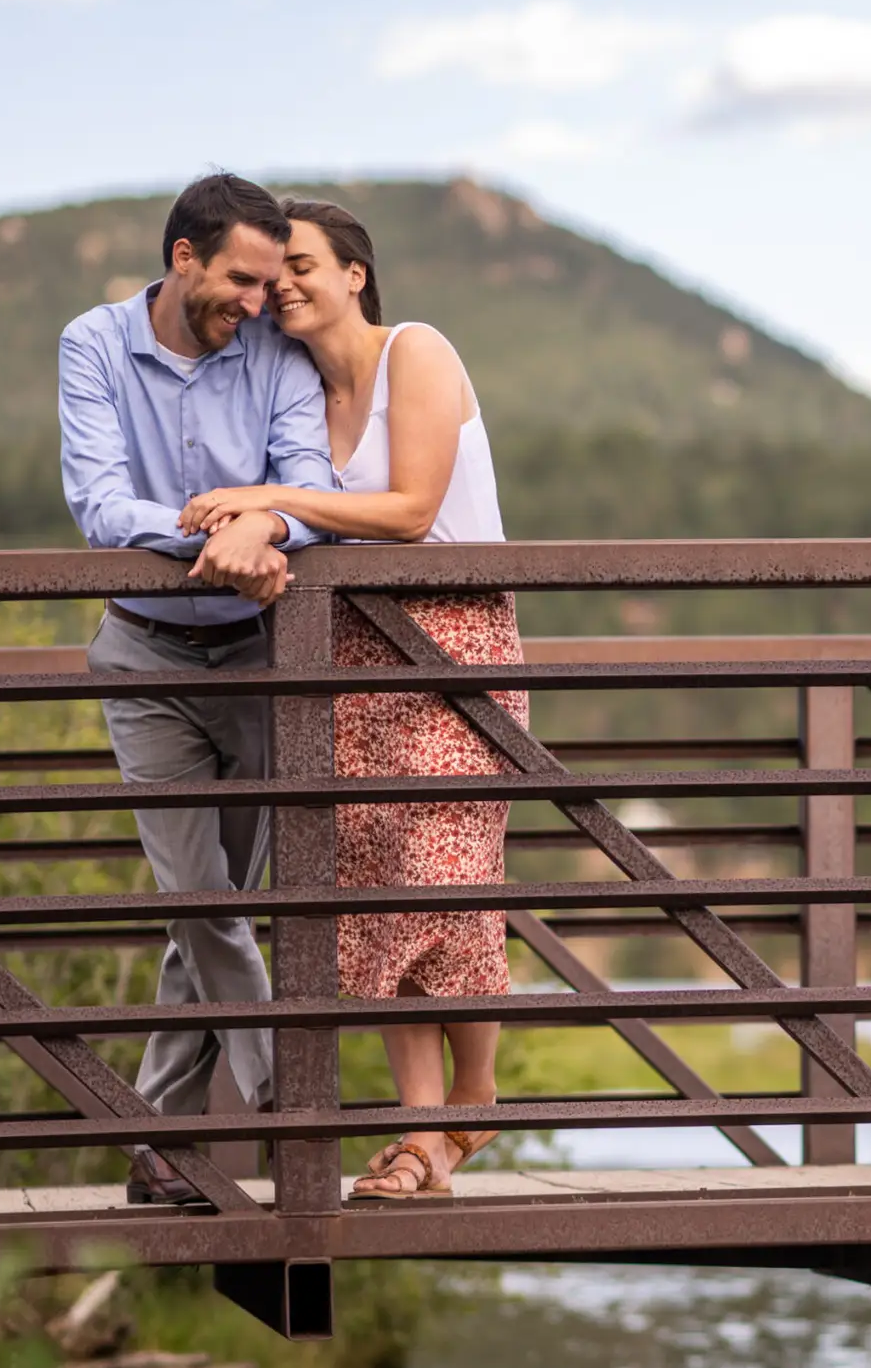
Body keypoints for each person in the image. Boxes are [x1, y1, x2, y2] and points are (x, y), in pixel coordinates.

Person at [180, 198, 524, 1201]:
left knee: (443, 867)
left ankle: (477, 1095)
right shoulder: (292, 388)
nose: (278, 281)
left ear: (354, 274)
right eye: (266, 270)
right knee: (369, 888)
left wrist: (276, 501)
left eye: (299, 263)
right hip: (350, 652)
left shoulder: (416, 352)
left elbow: (412, 509)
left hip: (452, 640)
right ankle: (421, 1138)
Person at [58, 173, 336, 1208]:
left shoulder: (273, 352)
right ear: (183, 258)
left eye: (268, 283)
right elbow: (98, 501)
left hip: (259, 659)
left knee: (213, 912)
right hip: (145, 659)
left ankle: (159, 1147)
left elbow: (311, 483)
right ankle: (282, 1106)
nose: (257, 303)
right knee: (203, 898)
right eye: (239, 279)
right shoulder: (92, 344)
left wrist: (267, 522)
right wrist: (215, 531)